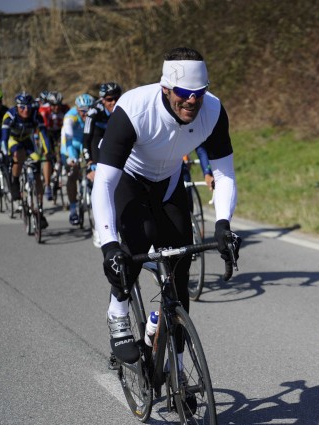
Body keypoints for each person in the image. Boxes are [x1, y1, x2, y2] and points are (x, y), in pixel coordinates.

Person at [91, 46, 240, 366]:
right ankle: (117, 311)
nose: (192, 101)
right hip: (130, 178)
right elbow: (103, 183)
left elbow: (224, 173)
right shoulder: (134, 108)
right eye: (184, 93)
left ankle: (177, 365)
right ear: (166, 88)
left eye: (199, 92)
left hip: (169, 182)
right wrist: (109, 245)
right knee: (137, 241)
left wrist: (223, 224)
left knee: (179, 271)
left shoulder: (213, 111)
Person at [1, 91, 51, 226]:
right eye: (22, 107)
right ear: (17, 107)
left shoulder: (35, 115)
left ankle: (39, 209)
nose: (26, 110)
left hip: (27, 141)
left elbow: (44, 136)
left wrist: (48, 152)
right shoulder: (10, 115)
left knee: (37, 165)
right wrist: (6, 154)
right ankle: (15, 181)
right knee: (18, 155)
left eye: (28, 107)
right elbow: (4, 138)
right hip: (13, 140)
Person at [83, 82, 122, 246]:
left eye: (116, 98)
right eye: (109, 99)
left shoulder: (124, 106)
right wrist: (89, 163)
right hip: (97, 143)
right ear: (103, 100)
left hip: (116, 142)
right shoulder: (94, 111)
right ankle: (100, 227)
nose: (113, 102)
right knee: (99, 184)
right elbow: (86, 139)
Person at [62, 93, 94, 225]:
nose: (86, 113)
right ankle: (73, 209)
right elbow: (68, 138)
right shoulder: (70, 116)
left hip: (85, 144)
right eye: (82, 110)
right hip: (70, 145)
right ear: (77, 109)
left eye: (88, 110)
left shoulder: (94, 115)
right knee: (73, 172)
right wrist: (71, 158)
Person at [37, 90, 69, 199]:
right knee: (47, 156)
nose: (56, 107)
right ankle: (47, 185)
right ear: (49, 104)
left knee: (63, 153)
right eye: (53, 105)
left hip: (60, 132)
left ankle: (59, 169)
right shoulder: (43, 111)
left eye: (58, 105)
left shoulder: (65, 109)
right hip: (47, 133)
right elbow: (41, 130)